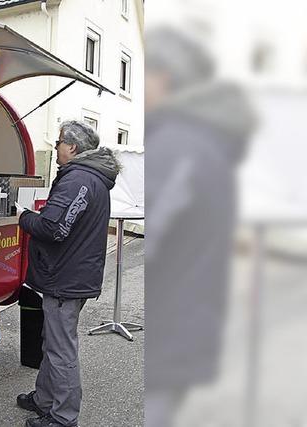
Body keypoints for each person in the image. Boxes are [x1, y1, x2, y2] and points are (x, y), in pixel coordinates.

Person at [144, 27, 255, 426]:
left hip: (171, 322)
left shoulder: (175, 144)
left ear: (165, 78)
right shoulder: (208, 142)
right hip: (195, 315)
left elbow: (154, 234)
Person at [16, 121, 120, 427]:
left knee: (61, 350)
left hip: (66, 279)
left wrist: (25, 217)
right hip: (71, 274)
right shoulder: (91, 177)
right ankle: (44, 399)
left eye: (60, 142)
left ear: (73, 147)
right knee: (53, 343)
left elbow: (54, 228)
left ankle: (62, 417)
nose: (57, 146)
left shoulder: (78, 179)